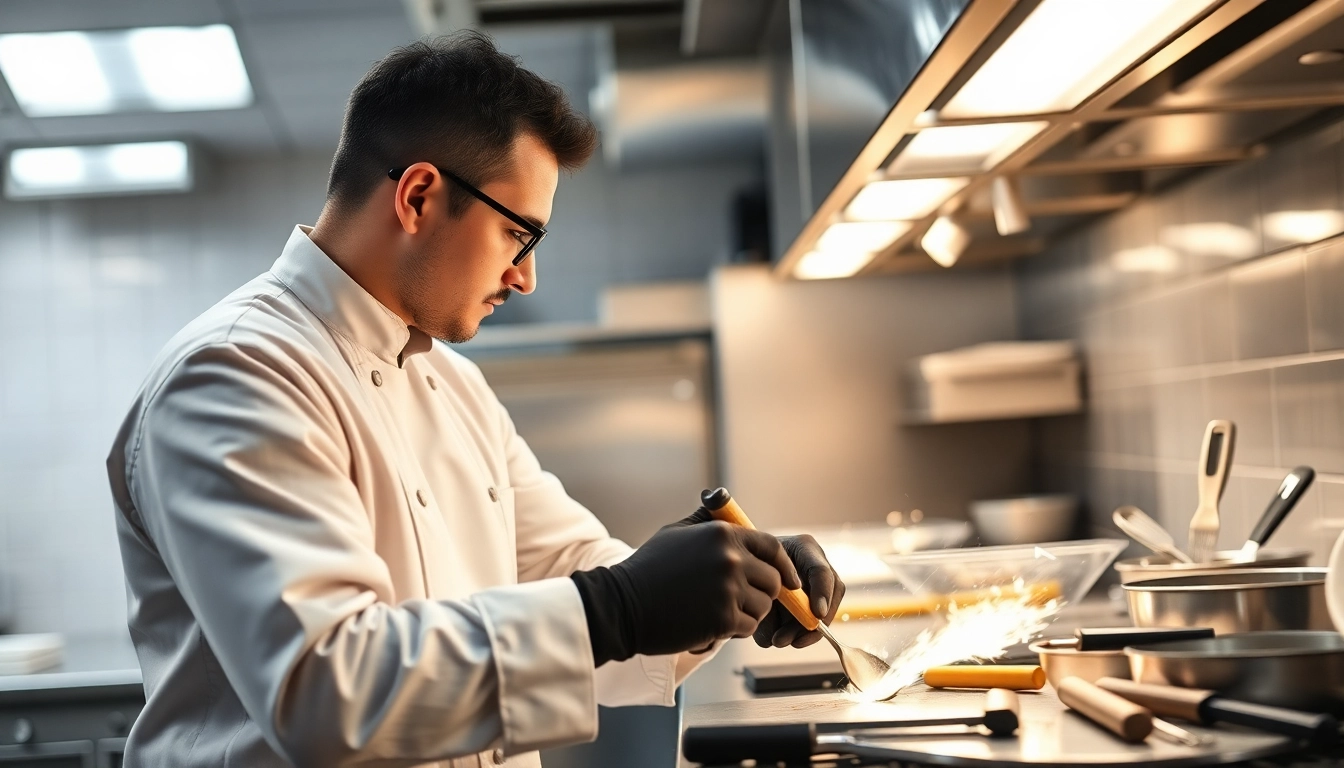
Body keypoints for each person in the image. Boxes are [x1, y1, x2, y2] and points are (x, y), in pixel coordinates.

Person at [106, 31, 844, 768]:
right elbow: (327, 692)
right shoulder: (236, 372)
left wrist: (723, 582)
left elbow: (569, 571)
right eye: (517, 236)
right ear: (418, 196)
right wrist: (622, 606)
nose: (526, 278)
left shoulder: (453, 383)